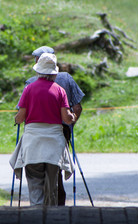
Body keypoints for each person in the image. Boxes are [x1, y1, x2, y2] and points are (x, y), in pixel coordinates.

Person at [9, 53, 75, 206]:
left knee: (35, 188)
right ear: (54, 73)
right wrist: (71, 116)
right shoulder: (59, 90)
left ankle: (36, 214)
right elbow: (66, 119)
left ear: (38, 71)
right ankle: (50, 217)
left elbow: (19, 118)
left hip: (33, 145)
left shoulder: (29, 89)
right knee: (52, 191)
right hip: (53, 146)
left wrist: (16, 118)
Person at [25, 46, 85, 206]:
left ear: (38, 62)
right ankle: (57, 209)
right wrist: (70, 125)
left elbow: (22, 115)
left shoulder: (30, 83)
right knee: (54, 173)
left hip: (34, 136)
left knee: (36, 171)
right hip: (60, 132)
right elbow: (77, 107)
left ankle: (38, 208)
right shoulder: (67, 79)